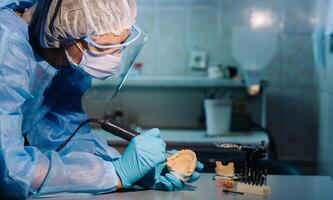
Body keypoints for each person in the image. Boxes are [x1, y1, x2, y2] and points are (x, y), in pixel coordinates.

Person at [0, 0, 203, 198]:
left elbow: (63, 136)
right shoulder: (6, 49)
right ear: (66, 33)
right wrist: (114, 174)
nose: (115, 58)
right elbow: (11, 173)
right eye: (105, 47)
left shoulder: (68, 57)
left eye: (120, 45)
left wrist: (130, 167)